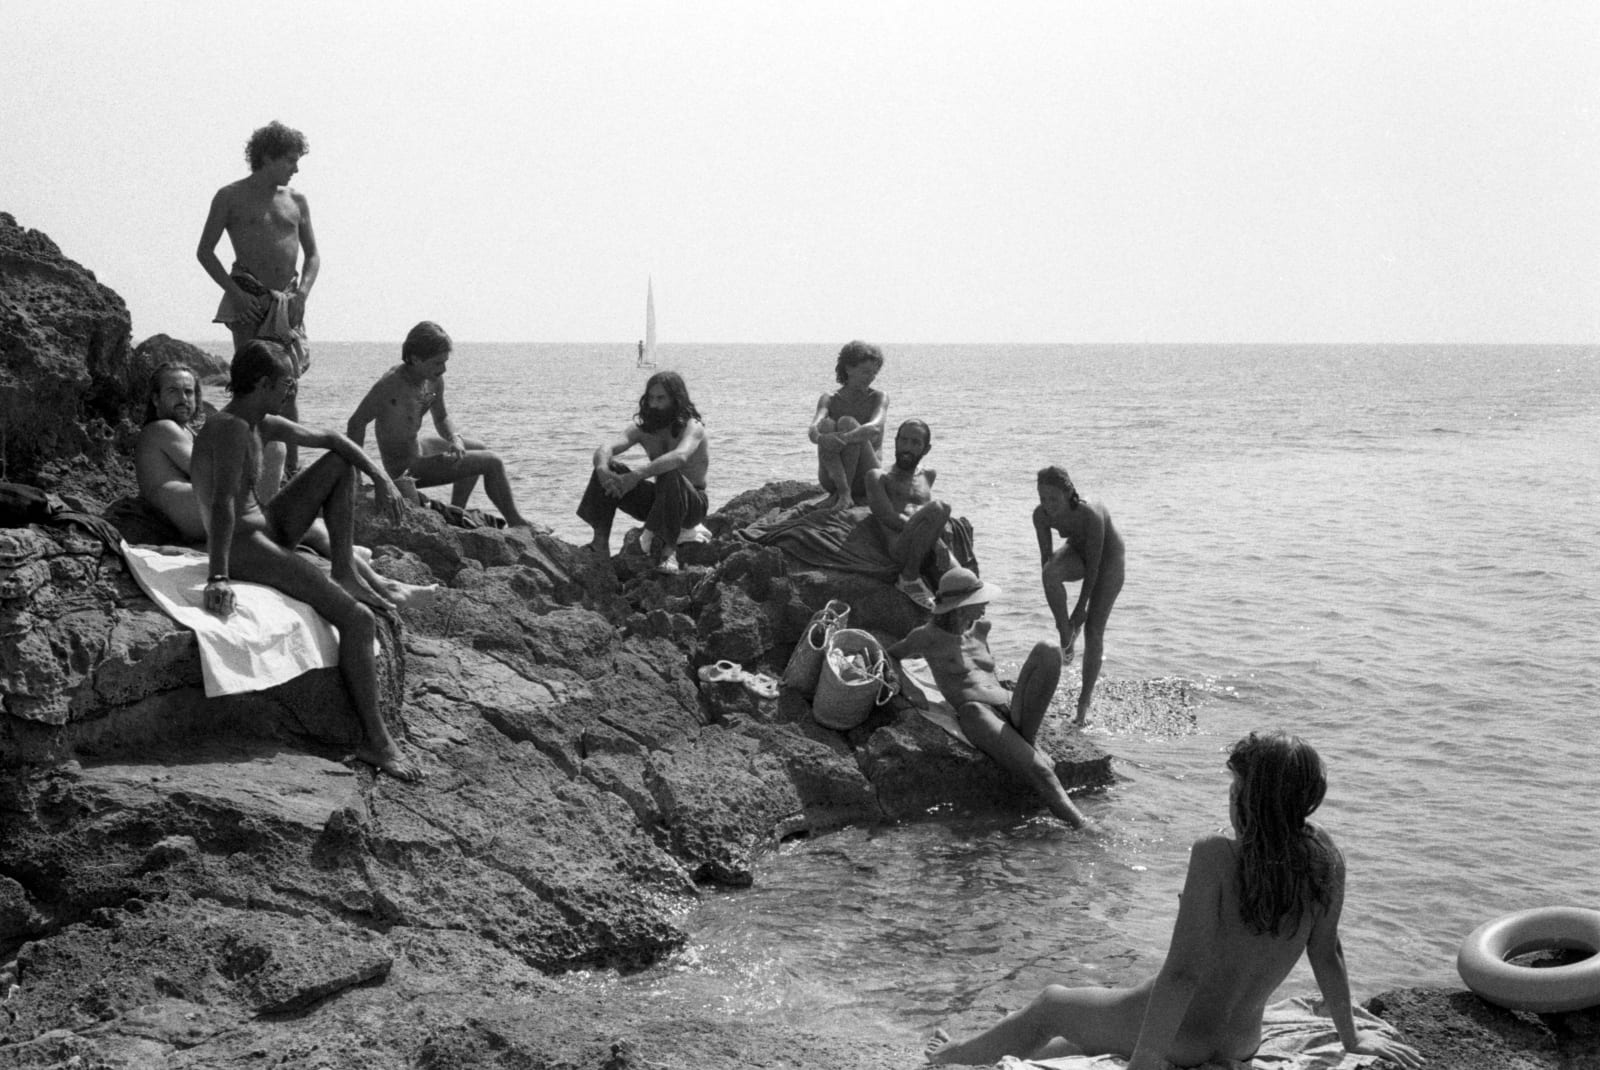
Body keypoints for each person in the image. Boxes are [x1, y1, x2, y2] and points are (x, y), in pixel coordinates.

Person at [926, 731, 1424, 1070]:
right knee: (1072, 1038)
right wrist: (1351, 1038)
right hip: (1240, 1041)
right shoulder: (1325, 860)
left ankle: (944, 1059)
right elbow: (1326, 953)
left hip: (1180, 1039)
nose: (1231, 798)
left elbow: (1183, 974)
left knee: (1052, 1003)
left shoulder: (1216, 857)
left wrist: (1145, 1063)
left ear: (1251, 798)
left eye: (1236, 787)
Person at [190, 340, 423, 781]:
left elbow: (335, 439)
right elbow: (221, 504)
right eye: (287, 384)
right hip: (243, 545)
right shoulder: (231, 428)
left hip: (266, 525)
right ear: (262, 384)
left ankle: (344, 568)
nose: (291, 392)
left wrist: (380, 479)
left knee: (339, 462)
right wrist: (218, 575)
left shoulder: (259, 422)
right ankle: (377, 743)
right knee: (357, 620)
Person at [135, 362, 433, 611]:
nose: (183, 398)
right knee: (276, 454)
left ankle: (380, 582)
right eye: (173, 391)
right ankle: (365, 572)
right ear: (155, 399)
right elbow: (205, 471)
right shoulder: (161, 428)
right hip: (187, 511)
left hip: (197, 512)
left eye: (189, 392)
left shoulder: (187, 429)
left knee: (312, 528)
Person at [887, 568, 1093, 830]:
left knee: (1049, 649)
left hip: (1008, 704)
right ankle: (1082, 825)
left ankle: (1025, 743)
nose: (985, 606)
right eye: (979, 601)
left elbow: (985, 673)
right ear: (960, 606)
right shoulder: (926, 637)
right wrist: (910, 690)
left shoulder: (981, 628)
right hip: (976, 713)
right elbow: (891, 655)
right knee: (1041, 771)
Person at [196, 120, 318, 499]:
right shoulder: (229, 196)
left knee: (289, 388)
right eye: (289, 160)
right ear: (266, 157)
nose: (295, 168)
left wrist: (303, 295)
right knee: (252, 388)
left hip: (287, 301)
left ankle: (289, 473)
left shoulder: (296, 201)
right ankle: (250, 467)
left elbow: (313, 255)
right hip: (248, 298)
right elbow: (205, 251)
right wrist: (235, 293)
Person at [346, 321, 532, 528]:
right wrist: (356, 477)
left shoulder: (432, 379)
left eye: (445, 362)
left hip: (419, 448)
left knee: (477, 448)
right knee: (493, 462)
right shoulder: (390, 386)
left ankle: (456, 513)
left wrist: (455, 439)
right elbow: (356, 423)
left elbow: (441, 417)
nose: (443, 369)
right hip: (405, 468)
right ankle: (517, 522)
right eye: (437, 363)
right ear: (415, 359)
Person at [578, 370, 709, 574]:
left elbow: (680, 457)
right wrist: (603, 470)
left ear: (676, 399)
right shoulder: (643, 428)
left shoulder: (693, 427)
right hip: (659, 501)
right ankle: (599, 545)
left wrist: (636, 476)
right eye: (650, 398)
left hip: (691, 506)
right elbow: (606, 447)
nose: (654, 404)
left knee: (669, 470)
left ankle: (668, 552)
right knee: (610, 467)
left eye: (660, 398)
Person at [1034, 465, 1125, 724]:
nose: (1048, 505)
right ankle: (1066, 633)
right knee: (1050, 573)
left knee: (1093, 630)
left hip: (1108, 559)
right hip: (1077, 551)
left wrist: (1080, 609)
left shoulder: (1089, 514)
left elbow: (1095, 566)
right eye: (1042, 498)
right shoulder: (1040, 516)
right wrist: (1064, 618)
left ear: (1069, 493)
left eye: (1054, 498)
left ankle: (1083, 705)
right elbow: (1046, 562)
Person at [866, 419, 953, 611]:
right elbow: (888, 516)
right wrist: (938, 543)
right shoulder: (877, 476)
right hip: (900, 547)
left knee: (964, 584)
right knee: (940, 507)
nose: (907, 447)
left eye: (915, 443)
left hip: (927, 547)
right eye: (903, 440)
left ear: (926, 449)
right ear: (895, 441)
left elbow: (921, 509)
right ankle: (909, 578)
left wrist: (936, 540)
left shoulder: (928, 475)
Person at [808, 340, 888, 510]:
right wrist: (823, 438)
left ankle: (844, 494)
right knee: (826, 425)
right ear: (849, 368)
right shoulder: (829, 398)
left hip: (867, 475)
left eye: (874, 373)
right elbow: (813, 430)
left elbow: (874, 427)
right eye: (865, 372)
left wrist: (843, 438)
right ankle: (843, 492)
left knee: (847, 422)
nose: (870, 378)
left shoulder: (878, 397)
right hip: (833, 477)